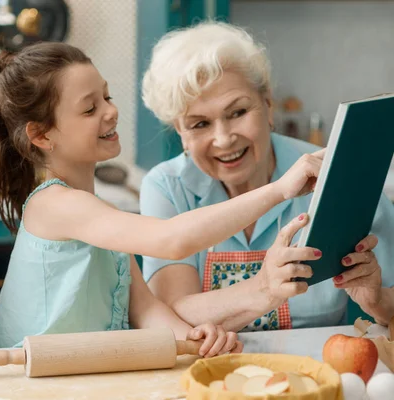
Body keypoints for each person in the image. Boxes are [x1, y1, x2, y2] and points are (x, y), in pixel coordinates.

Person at [0, 42, 323, 351]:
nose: (111, 111)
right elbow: (172, 239)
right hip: (31, 385)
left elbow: (145, 309)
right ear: (41, 135)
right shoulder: (54, 205)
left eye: (107, 97)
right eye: (89, 109)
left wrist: (196, 341)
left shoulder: (102, 216)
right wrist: (279, 190)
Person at [140, 21, 394, 332]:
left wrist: (376, 300)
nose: (223, 139)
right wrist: (264, 288)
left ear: (268, 104)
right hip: (209, 375)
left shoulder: (333, 173)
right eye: (199, 124)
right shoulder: (166, 187)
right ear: (180, 133)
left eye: (237, 112)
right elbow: (169, 314)